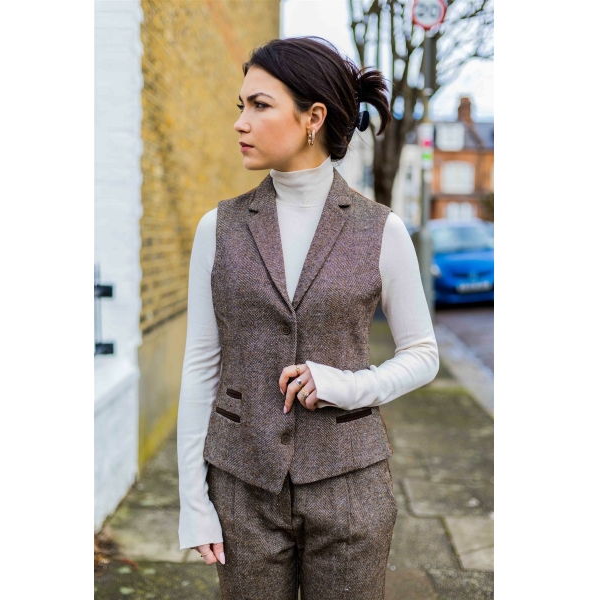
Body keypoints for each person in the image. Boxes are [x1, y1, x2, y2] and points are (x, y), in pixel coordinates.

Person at [177, 36, 439, 600]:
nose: (240, 122)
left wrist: (346, 384)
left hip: (352, 487)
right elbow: (202, 365)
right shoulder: (217, 229)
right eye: (239, 106)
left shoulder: (381, 230)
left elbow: (423, 354)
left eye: (260, 105)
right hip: (242, 484)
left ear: (312, 117)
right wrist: (193, 503)